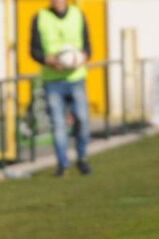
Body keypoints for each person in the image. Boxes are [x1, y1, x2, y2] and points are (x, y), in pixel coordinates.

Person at [30, 0, 92, 177]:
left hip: (76, 78)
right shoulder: (40, 17)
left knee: (82, 120)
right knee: (58, 124)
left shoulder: (78, 14)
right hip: (53, 81)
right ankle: (62, 164)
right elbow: (34, 51)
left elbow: (88, 47)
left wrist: (81, 57)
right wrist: (48, 60)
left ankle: (82, 158)